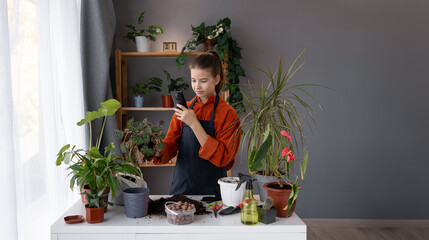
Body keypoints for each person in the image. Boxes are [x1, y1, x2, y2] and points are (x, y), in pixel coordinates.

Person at [152, 50, 241, 195]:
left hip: (213, 192)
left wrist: (193, 124)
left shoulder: (228, 114)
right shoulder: (183, 110)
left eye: (203, 81)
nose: (197, 86)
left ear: (216, 79)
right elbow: (170, 146)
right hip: (182, 189)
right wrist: (153, 150)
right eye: (193, 80)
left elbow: (223, 158)